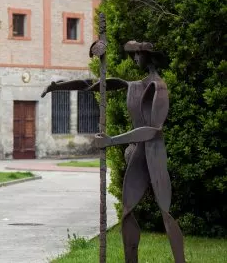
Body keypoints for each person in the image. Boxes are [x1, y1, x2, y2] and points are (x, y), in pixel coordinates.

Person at [41, 41, 185, 263]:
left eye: (138, 54)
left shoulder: (159, 87)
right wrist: (58, 86)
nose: (135, 58)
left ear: (149, 56)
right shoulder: (135, 85)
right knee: (127, 213)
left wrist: (111, 141)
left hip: (154, 154)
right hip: (138, 153)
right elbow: (94, 84)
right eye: (134, 54)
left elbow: (154, 130)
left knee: (165, 211)